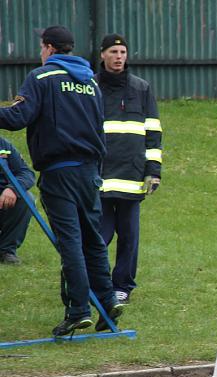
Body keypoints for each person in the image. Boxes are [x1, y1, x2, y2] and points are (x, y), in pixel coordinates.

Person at [0, 25, 123, 336]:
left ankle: (78, 310)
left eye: (42, 47)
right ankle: (108, 299)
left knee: (70, 242)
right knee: (93, 239)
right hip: (90, 172)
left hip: (59, 172)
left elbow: (16, 118)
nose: (41, 53)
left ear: (50, 48)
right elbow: (99, 127)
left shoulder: (41, 78)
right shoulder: (91, 83)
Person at [95, 33, 163, 308]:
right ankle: (97, 285)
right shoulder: (91, 87)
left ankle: (122, 287)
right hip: (99, 177)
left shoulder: (141, 88)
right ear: (102, 55)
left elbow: (153, 132)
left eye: (122, 52)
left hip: (132, 177)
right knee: (99, 237)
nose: (119, 57)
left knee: (129, 238)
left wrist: (153, 170)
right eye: (113, 52)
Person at [0, 137, 35, 264]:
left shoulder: (3, 145)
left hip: (2, 199)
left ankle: (6, 250)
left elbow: (26, 173)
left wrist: (13, 189)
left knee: (26, 198)